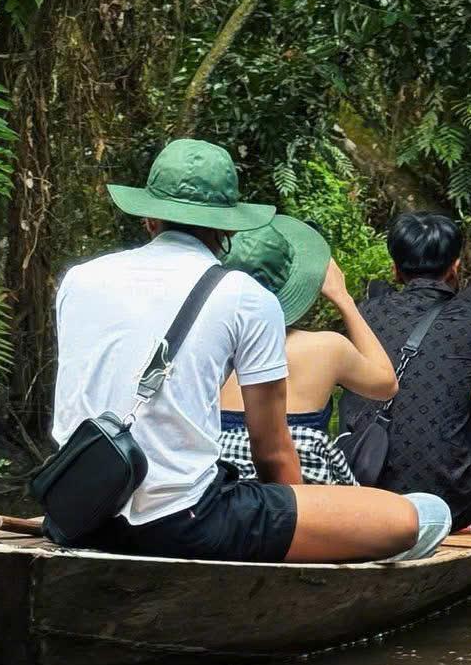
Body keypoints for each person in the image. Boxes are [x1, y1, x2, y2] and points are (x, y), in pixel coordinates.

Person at [50, 140, 450, 565]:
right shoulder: (246, 297)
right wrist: (296, 528)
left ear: (149, 218)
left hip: (79, 511)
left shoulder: (79, 279)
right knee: (423, 514)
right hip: (187, 521)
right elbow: (272, 451)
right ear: (228, 231)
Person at [338, 210, 471, 533]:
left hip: (361, 486)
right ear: (454, 267)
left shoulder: (364, 315)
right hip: (445, 502)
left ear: (396, 269)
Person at [217, 216, 398, 484]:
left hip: (222, 494)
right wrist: (343, 299)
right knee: (428, 508)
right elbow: (387, 384)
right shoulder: (327, 348)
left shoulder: (207, 346)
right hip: (302, 499)